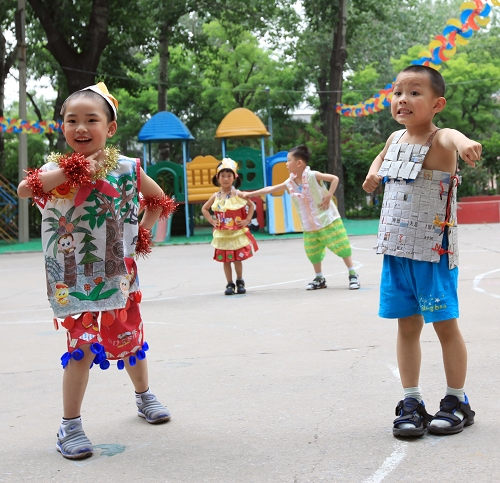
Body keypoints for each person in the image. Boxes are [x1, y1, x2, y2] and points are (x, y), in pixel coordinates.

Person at [17, 83, 177, 459]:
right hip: (75, 282)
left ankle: (144, 396)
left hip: (119, 276)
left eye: (92, 119)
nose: (81, 127)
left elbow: (158, 199)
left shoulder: (126, 168)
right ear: (63, 128)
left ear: (111, 127)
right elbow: (27, 189)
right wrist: (73, 171)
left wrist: (143, 232)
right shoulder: (57, 169)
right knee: (81, 350)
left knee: (130, 340)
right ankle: (69, 426)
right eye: (72, 120)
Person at [362, 65, 482, 437]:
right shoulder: (394, 138)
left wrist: (466, 146)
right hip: (397, 251)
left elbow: (453, 138)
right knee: (407, 325)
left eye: (415, 93)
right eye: (398, 92)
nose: (403, 99)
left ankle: (456, 400)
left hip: (434, 253)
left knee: (445, 325)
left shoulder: (439, 137)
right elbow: (381, 159)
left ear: (437, 103)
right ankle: (411, 401)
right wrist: (373, 172)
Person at [242, 145, 360, 291]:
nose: (286, 163)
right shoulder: (290, 182)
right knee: (313, 252)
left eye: (288, 160)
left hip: (327, 220)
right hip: (309, 225)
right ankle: (319, 278)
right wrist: (250, 194)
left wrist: (329, 196)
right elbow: (270, 189)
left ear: (299, 163)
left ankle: (352, 274)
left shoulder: (312, 175)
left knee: (342, 247)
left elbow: (334, 179)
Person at [201, 158, 258, 295]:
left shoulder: (238, 194)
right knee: (226, 260)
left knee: (237, 259)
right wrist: (212, 221)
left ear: (234, 178)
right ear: (217, 177)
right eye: (223, 176)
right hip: (223, 235)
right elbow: (204, 209)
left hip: (236, 233)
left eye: (229, 176)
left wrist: (247, 219)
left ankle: (240, 280)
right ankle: (229, 283)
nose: (226, 179)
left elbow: (252, 205)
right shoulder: (216, 196)